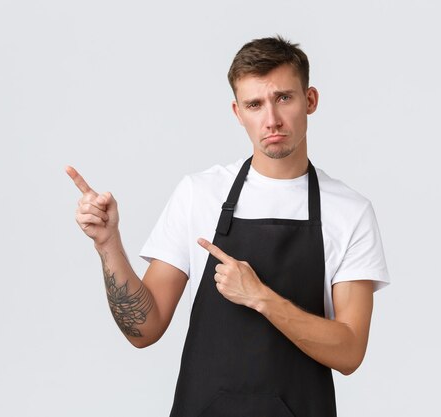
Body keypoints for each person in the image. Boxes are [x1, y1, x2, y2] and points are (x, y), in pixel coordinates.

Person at [67, 36, 389, 417]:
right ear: (238, 112)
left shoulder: (349, 211)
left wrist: (260, 297)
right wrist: (108, 246)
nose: (271, 119)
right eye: (255, 104)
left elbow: (350, 351)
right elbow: (145, 329)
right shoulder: (198, 194)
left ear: (311, 100)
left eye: (284, 98)